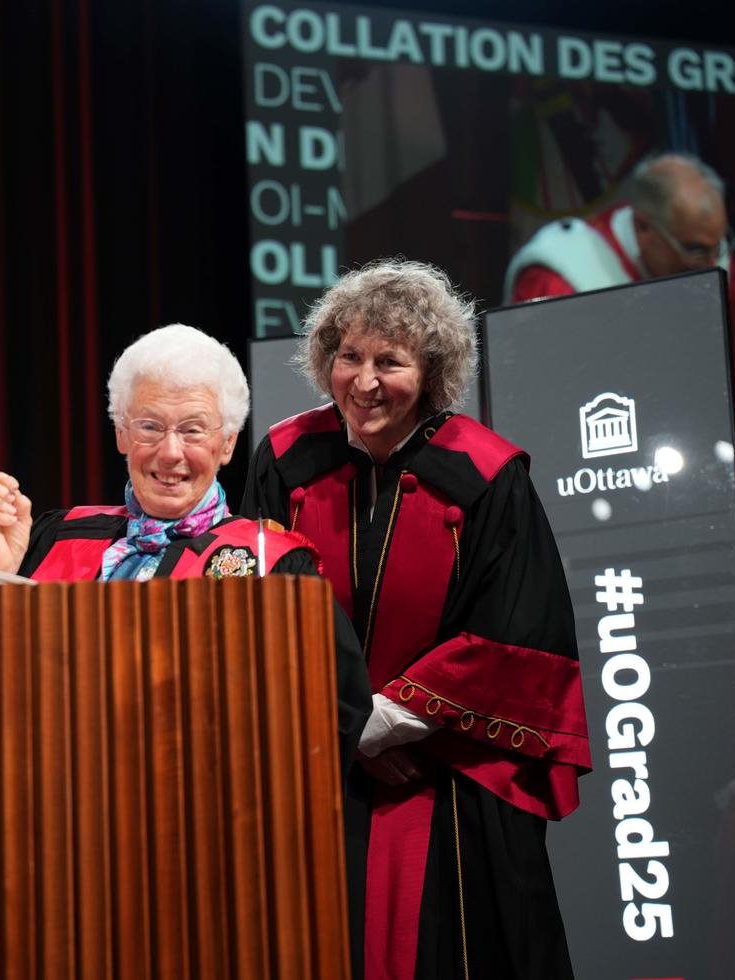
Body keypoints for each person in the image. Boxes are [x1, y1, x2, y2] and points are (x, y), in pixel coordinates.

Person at [242, 260, 591, 979]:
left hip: (446, 767)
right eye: (349, 356)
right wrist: (345, 730)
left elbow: (518, 630)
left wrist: (383, 723)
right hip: (316, 761)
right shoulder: (284, 460)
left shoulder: (488, 476)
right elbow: (255, 610)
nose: (364, 382)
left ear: (431, 372)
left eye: (390, 362)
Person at [0, 322, 371, 771]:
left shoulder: (271, 565)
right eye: (149, 426)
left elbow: (331, 719)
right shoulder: (55, 536)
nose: (170, 452)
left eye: (194, 430)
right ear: (122, 435)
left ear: (228, 444)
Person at [505, 151, 735, 556]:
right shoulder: (561, 274)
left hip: (693, 486)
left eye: (720, 244)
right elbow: (538, 414)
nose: (713, 262)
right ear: (643, 227)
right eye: (695, 249)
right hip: (595, 496)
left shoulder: (712, 259)